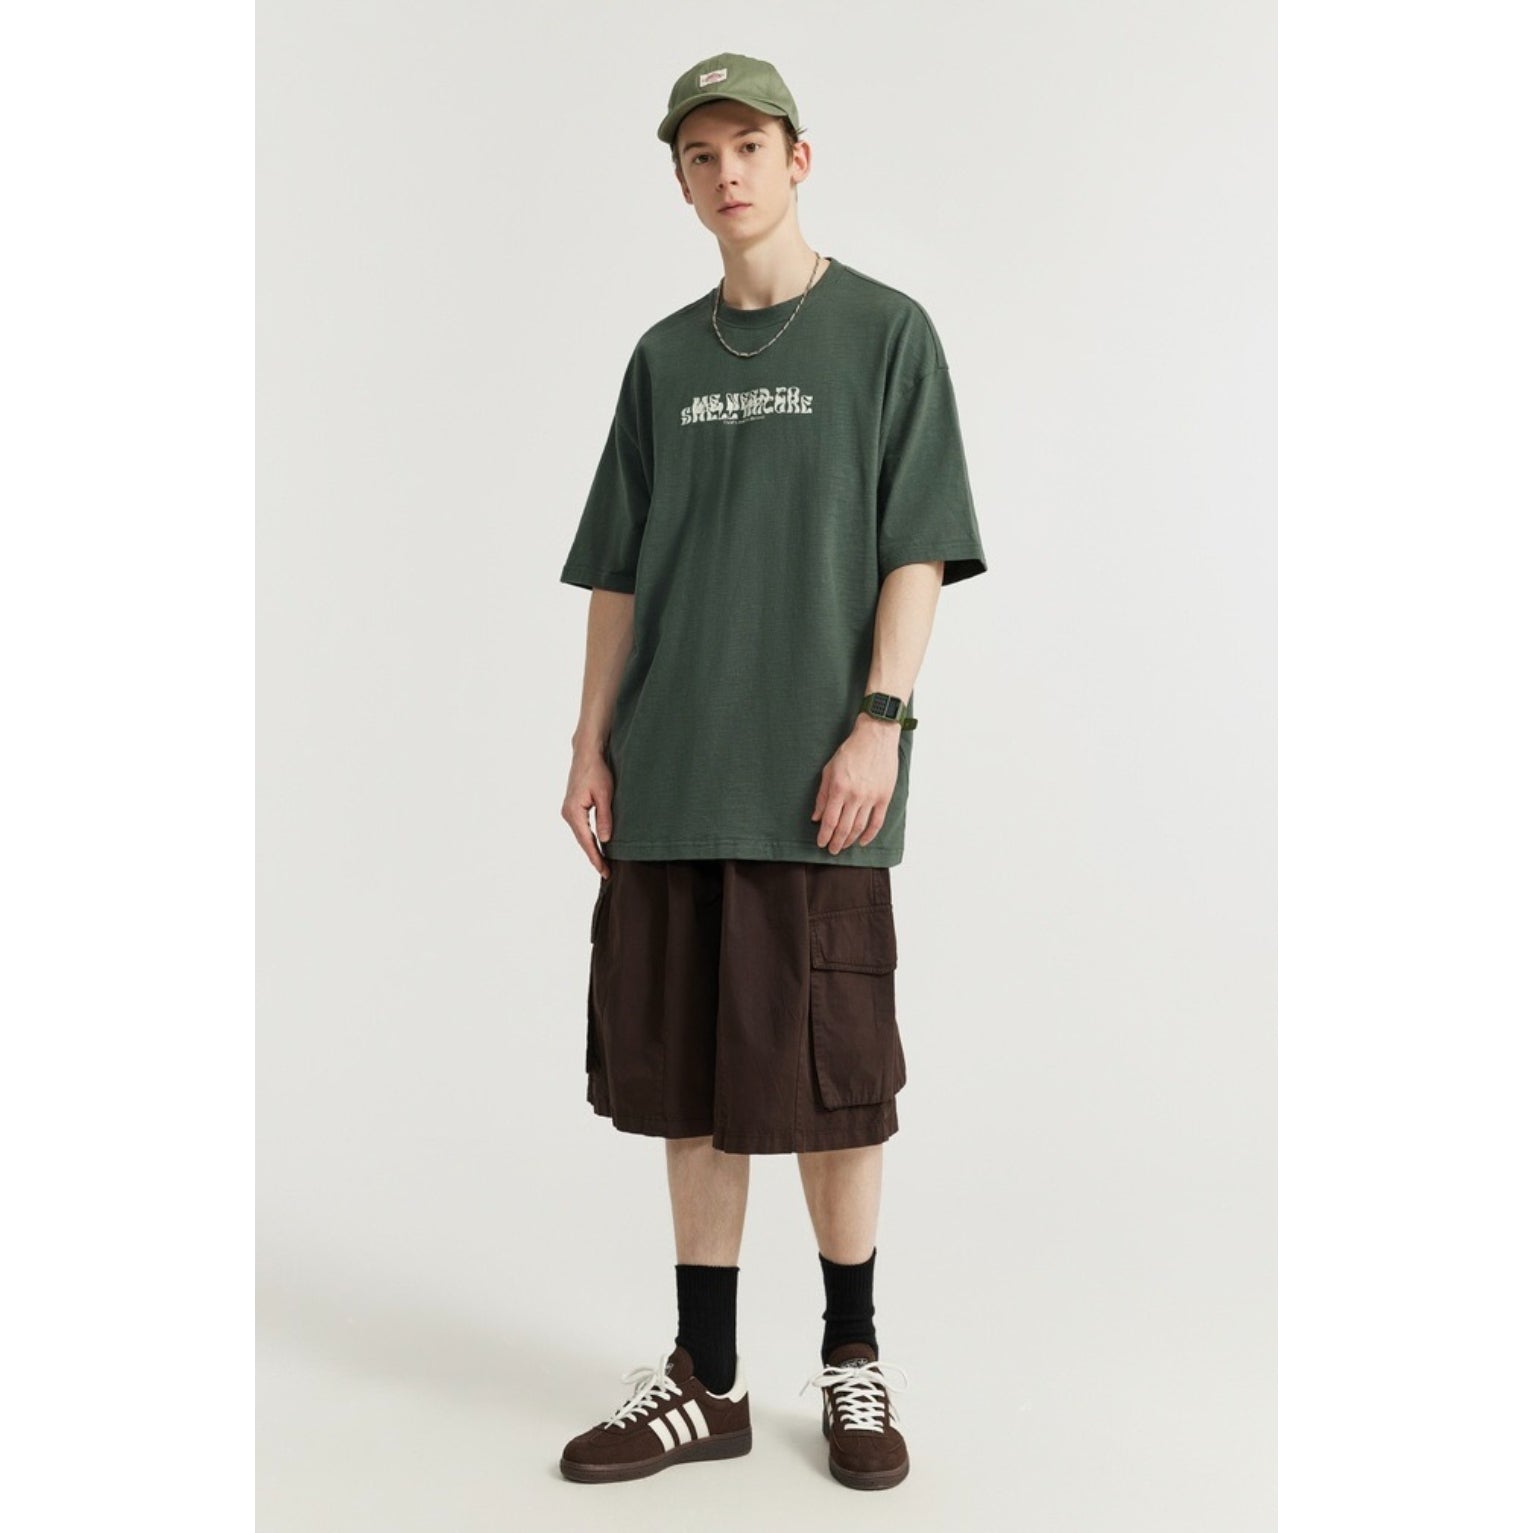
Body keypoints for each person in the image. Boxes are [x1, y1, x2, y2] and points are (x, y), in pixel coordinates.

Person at [555, 51, 988, 1492]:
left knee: (831, 1083)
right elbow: (619, 571)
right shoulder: (662, 359)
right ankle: (708, 1380)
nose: (726, 172)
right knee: (689, 1087)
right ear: (680, 181)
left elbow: (916, 544)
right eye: (700, 154)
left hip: (818, 788)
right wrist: (588, 741)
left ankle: (851, 1357)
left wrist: (881, 720)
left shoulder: (884, 333)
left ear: (798, 158)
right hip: (672, 776)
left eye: (748, 145)